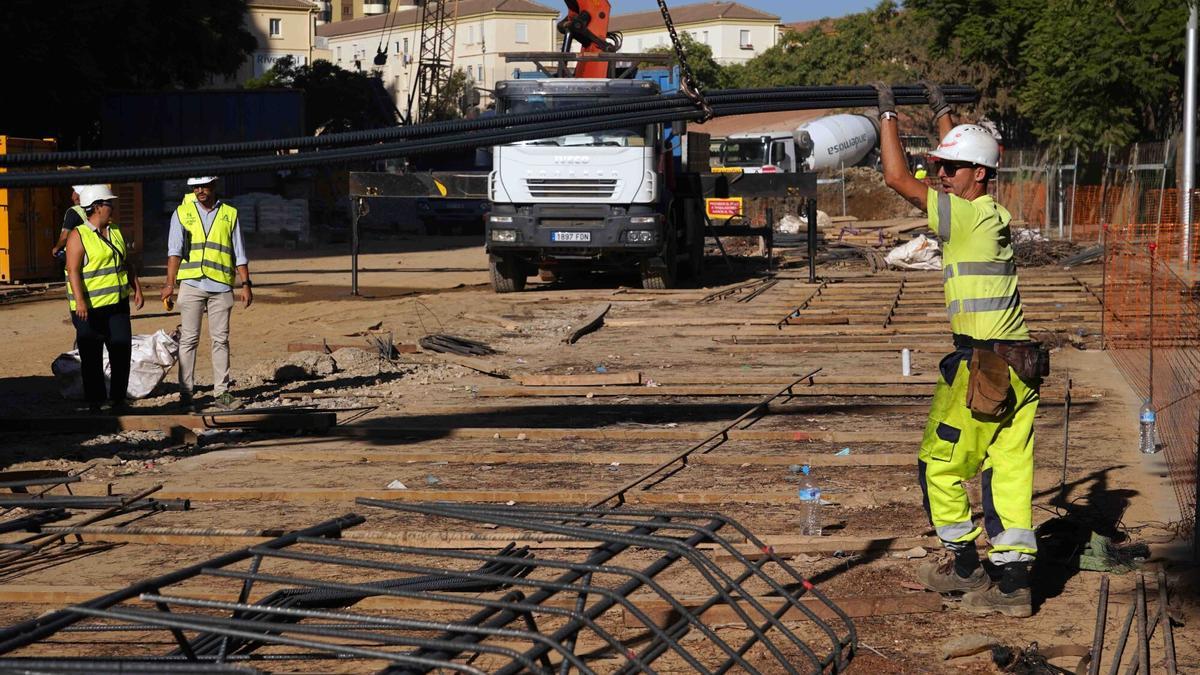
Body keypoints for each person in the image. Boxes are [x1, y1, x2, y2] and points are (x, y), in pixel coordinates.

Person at [874, 81, 1048, 618]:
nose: (939, 176)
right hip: (1018, 364)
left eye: (948, 171)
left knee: (939, 466)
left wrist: (886, 115)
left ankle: (967, 569)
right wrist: (944, 110)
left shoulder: (966, 217)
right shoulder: (989, 213)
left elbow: (896, 177)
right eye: (939, 169)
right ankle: (1015, 583)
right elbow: (965, 158)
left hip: (982, 365)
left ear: (978, 175)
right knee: (1007, 470)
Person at [160, 176, 252, 411]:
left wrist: (246, 283)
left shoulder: (229, 214)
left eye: (204, 186)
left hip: (220, 285)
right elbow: (174, 251)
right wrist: (170, 284)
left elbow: (238, 251)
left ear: (214, 186)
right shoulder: (182, 213)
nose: (200, 191)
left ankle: (222, 393)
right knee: (189, 339)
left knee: (220, 340)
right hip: (192, 284)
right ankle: (186, 393)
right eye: (196, 187)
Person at [64, 184, 144, 413]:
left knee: (121, 350)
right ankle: (95, 402)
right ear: (97, 207)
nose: (113, 207)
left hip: (117, 305)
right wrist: (80, 302)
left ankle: (118, 399)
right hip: (89, 309)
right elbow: (73, 270)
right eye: (109, 203)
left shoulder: (116, 230)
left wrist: (136, 287)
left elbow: (126, 262)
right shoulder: (78, 235)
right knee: (91, 356)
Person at [51, 185, 88, 266]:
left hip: (75, 253)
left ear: (77, 195)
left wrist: (57, 248)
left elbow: (65, 236)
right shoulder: (91, 209)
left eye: (74, 192)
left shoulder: (73, 211)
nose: (72, 195)